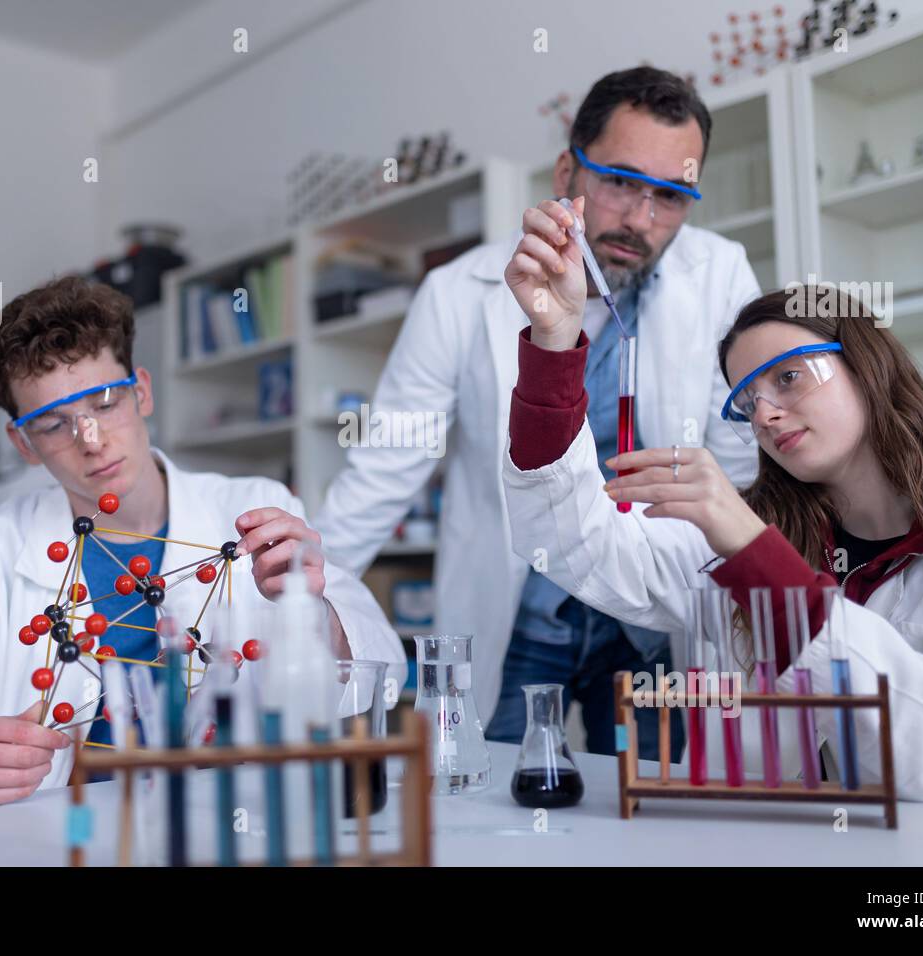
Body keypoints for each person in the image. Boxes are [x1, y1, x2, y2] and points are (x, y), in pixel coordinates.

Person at [500, 210, 923, 801]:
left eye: (788, 377)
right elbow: (575, 543)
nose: (764, 414)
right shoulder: (737, 535)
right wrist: (554, 341)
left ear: (869, 368)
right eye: (747, 401)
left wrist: (757, 554)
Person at [315, 67, 759, 757]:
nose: (641, 220)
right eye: (619, 182)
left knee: (660, 816)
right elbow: (387, 465)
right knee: (491, 804)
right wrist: (300, 595)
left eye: (671, 197)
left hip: (654, 611)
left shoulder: (721, 273)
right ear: (566, 170)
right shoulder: (458, 293)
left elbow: (738, 466)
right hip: (522, 611)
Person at [0, 277, 404, 808]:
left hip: (228, 826)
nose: (92, 443)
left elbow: (381, 679)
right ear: (23, 443)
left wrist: (311, 609)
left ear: (141, 391)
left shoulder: (253, 509)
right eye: (54, 424)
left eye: (104, 403)